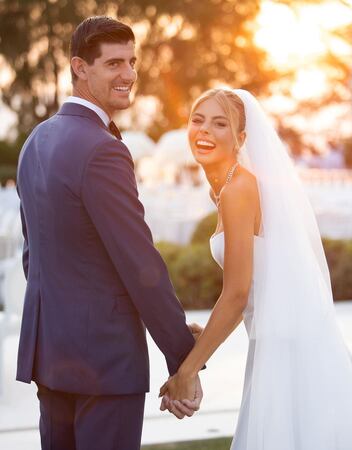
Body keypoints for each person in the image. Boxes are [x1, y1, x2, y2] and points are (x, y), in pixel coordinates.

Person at [16, 16, 201, 450]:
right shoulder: (103, 150)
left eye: (132, 62)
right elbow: (139, 264)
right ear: (80, 68)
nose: (129, 75)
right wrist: (184, 357)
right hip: (104, 360)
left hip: (52, 356)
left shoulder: (36, 140)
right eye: (114, 64)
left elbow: (34, 257)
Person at [159, 88, 352, 449]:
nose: (204, 131)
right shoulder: (223, 189)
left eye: (220, 124)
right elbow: (254, 291)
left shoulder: (239, 189)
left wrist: (187, 372)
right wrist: (205, 336)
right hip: (277, 342)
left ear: (241, 138)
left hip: (292, 353)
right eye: (197, 120)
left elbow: (236, 295)